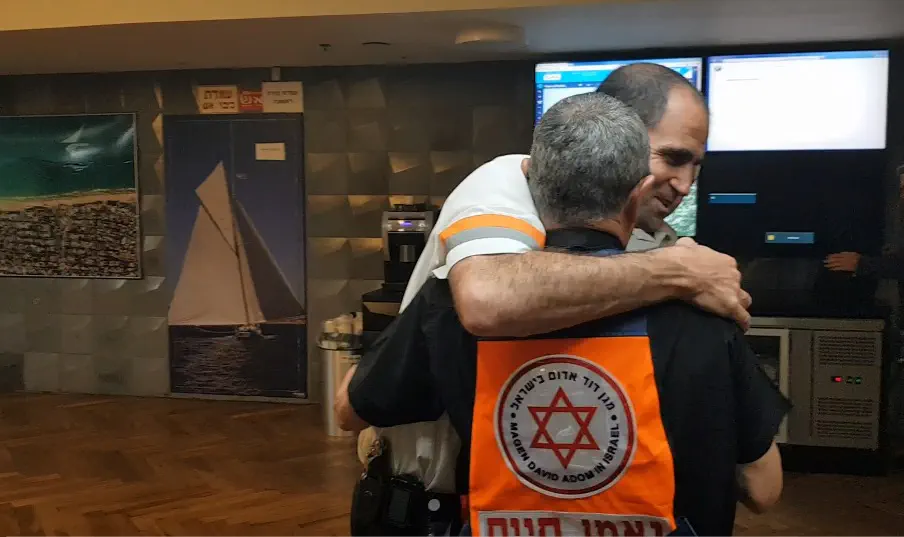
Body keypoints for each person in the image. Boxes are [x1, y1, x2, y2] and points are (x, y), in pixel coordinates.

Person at [346, 92, 788, 536]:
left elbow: (351, 408)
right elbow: (762, 487)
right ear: (636, 196)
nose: (685, 183)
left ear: (533, 186)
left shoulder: (447, 304)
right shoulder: (702, 311)